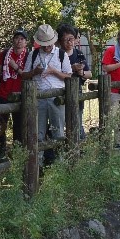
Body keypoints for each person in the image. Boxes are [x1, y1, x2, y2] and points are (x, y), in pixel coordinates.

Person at [21, 24, 72, 165]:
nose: (47, 46)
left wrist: (54, 71)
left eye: (49, 43)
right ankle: (37, 163)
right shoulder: (34, 54)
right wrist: (34, 72)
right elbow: (24, 75)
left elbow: (69, 77)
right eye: (44, 44)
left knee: (58, 131)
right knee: (38, 132)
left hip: (57, 98)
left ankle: (60, 162)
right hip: (38, 97)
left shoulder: (61, 54)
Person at [0, 29, 29, 161]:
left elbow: (27, 74)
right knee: (0, 123)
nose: (19, 41)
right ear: (13, 40)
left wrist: (15, 67)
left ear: (26, 42)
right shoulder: (5, 53)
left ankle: (17, 151)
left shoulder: (28, 55)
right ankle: (1, 151)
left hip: (19, 94)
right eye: (17, 38)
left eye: (22, 39)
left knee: (18, 124)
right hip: (4, 92)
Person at [57, 24, 91, 140]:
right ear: (60, 41)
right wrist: (71, 68)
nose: (69, 42)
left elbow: (89, 74)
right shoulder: (57, 54)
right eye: (66, 39)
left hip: (77, 90)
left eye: (72, 38)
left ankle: (79, 146)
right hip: (60, 91)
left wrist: (81, 72)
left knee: (77, 120)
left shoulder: (79, 54)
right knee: (60, 123)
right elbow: (54, 72)